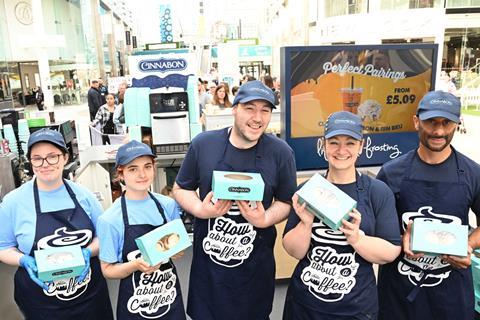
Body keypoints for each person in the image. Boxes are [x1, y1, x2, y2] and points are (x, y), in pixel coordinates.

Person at [173, 80, 297, 319]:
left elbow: (286, 201)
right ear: (234, 109)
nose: (258, 118)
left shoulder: (281, 153)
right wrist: (201, 209)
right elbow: (180, 188)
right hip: (209, 275)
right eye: (250, 108)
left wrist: (264, 218)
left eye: (265, 110)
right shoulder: (204, 145)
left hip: (255, 274)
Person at [282, 111, 401, 319]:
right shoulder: (307, 190)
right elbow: (293, 251)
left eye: (350, 143)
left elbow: (390, 251)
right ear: (323, 144)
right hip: (305, 306)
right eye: (334, 142)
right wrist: (306, 224)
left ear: (361, 146)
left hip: (356, 308)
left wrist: (356, 239)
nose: (341, 150)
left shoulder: (378, 192)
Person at [376, 90, 480, 320]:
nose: (439, 131)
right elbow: (373, 223)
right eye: (431, 122)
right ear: (416, 122)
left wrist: (467, 245)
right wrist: (397, 236)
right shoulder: (391, 172)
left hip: (451, 293)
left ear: (457, 124)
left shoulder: (473, 173)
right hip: (399, 291)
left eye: (447, 123)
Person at [0, 128, 113, 319]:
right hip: (41, 303)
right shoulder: (13, 202)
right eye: (37, 158)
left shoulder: (84, 195)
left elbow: (103, 237)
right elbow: (3, 248)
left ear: (65, 158)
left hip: (89, 299)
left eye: (52, 156)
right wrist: (23, 260)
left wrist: (88, 251)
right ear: (30, 162)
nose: (45, 164)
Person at [97, 140, 186, 319]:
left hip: (169, 298)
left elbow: (179, 246)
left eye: (147, 166)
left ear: (154, 168)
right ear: (120, 174)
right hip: (136, 305)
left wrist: (177, 250)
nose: (142, 174)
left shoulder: (167, 205)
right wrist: (136, 265)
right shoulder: (109, 219)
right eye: (132, 169)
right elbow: (107, 270)